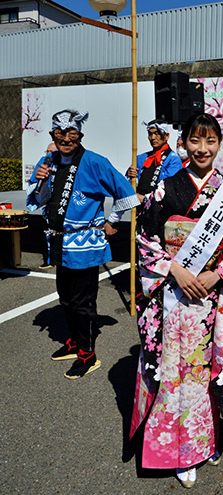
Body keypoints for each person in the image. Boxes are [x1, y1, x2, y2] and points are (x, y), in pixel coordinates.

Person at [130, 112, 223, 488]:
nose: (202, 149)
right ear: (183, 142)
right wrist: (177, 270)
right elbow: (146, 239)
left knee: (215, 372)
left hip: (217, 297)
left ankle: (212, 438)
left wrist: (215, 273)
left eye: (210, 141)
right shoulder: (165, 188)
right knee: (179, 373)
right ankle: (182, 450)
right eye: (194, 140)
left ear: (220, 145)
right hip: (175, 295)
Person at [27, 109, 140, 379]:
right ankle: (75, 341)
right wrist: (42, 179)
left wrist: (113, 220)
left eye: (72, 134)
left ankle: (88, 354)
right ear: (53, 134)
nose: (66, 138)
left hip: (84, 244)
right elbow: (38, 200)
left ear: (80, 135)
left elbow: (126, 193)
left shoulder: (94, 162)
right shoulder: (49, 160)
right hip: (58, 242)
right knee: (65, 298)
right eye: (61, 133)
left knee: (83, 302)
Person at [127, 120, 182, 203]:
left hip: (161, 209)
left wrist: (145, 199)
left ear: (166, 136)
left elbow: (168, 189)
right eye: (150, 134)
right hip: (138, 209)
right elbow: (127, 185)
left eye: (157, 133)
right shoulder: (141, 158)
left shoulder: (174, 160)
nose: (152, 137)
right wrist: (130, 178)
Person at [39, 141, 57, 270]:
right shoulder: (44, 167)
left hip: (60, 207)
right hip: (48, 206)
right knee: (47, 233)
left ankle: (55, 258)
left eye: (52, 152)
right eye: (47, 151)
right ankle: (48, 259)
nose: (49, 154)